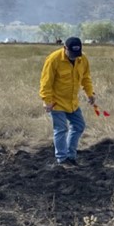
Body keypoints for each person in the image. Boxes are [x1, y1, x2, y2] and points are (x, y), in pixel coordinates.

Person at [39, 36, 95, 167]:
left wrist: (90, 93)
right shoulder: (53, 59)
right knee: (61, 129)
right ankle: (62, 159)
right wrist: (47, 101)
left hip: (72, 102)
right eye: (72, 53)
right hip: (56, 102)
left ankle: (70, 156)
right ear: (65, 48)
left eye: (77, 54)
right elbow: (45, 82)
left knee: (79, 125)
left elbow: (86, 78)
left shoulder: (82, 59)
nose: (75, 57)